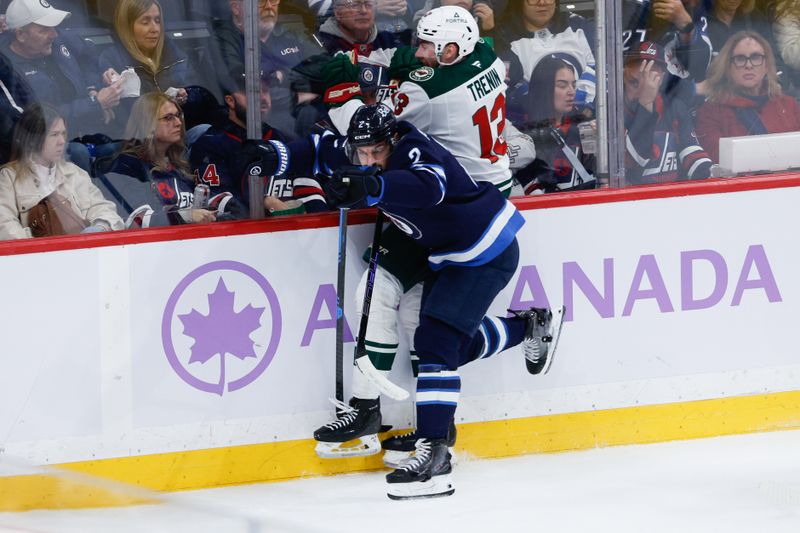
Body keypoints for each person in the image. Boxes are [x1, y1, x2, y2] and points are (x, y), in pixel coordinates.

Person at [254, 103, 559, 499]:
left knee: (434, 344)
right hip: (448, 257)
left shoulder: (413, 149)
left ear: (392, 138)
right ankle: (528, 327)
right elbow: (318, 149)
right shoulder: (363, 151)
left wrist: (374, 186)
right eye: (361, 153)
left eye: (375, 152)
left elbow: (429, 187)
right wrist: (271, 156)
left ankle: (434, 451)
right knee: (448, 346)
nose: (368, 159)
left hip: (486, 249)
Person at [190, 69, 311, 217]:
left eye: (265, 90)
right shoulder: (211, 144)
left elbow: (304, 180)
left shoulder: (278, 136)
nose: (262, 97)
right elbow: (217, 199)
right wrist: (263, 202)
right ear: (230, 100)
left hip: (296, 231)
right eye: (252, 92)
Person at [0, 0, 125, 141]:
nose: (54, 34)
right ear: (20, 35)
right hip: (53, 148)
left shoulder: (60, 40)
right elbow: (34, 122)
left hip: (92, 130)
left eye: (54, 27)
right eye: (44, 29)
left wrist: (92, 86)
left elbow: (89, 59)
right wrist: (95, 103)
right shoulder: (7, 70)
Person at [0, 103, 123, 239]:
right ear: (33, 140)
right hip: (39, 257)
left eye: (63, 134)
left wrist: (99, 227)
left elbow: (103, 207)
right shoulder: (8, 178)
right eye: (54, 135)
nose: (62, 141)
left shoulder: (75, 173)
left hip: (86, 254)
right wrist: (46, 240)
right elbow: (5, 227)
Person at [102, 92, 222, 227]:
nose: (178, 123)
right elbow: (136, 221)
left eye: (178, 116)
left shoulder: (179, 166)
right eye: (168, 118)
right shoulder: (125, 166)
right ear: (147, 125)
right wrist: (186, 216)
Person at [212, 0, 323, 137]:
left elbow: (324, 66)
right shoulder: (223, 38)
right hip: (257, 124)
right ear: (236, 7)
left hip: (307, 112)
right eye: (261, 2)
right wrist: (295, 96)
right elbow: (239, 81)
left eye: (274, 1)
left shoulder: (289, 32)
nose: (269, 7)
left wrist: (284, 75)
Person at [695, 30, 800, 163]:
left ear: (766, 65)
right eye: (740, 59)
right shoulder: (710, 112)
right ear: (727, 66)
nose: (748, 65)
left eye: (756, 57)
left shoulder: (788, 105)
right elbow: (719, 159)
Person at [623, 41, 712, 183]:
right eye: (635, 83)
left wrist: (713, 174)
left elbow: (691, 153)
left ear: (662, 78)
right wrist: (646, 103)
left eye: (650, 83)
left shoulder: (674, 107)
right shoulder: (611, 112)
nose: (643, 91)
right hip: (629, 200)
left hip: (671, 198)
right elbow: (634, 159)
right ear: (624, 74)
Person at [491, 0, 596, 116]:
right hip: (536, 124)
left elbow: (604, 66)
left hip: (590, 119)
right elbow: (509, 89)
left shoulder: (578, 25)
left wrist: (584, 101)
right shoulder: (505, 39)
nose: (542, 2)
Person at [513, 55, 596, 194]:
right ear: (543, 88)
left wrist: (602, 144)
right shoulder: (519, 133)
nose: (571, 92)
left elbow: (598, 172)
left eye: (574, 85)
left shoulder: (584, 125)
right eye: (562, 85)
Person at [98, 0, 201, 109]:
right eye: (145, 22)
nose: (155, 29)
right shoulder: (112, 61)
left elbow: (197, 92)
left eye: (157, 21)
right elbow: (122, 115)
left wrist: (186, 95)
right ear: (127, 26)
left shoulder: (173, 52)